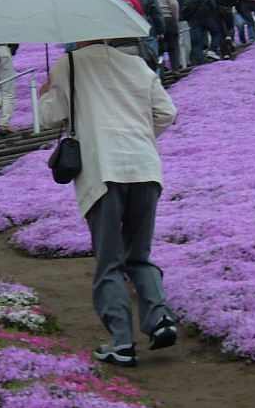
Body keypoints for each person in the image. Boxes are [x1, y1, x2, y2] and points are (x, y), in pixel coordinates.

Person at [37, 40, 178, 367]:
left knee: (109, 261)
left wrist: (46, 92)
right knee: (138, 255)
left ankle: (122, 342)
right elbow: (167, 113)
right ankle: (159, 318)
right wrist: (139, 135)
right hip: (145, 168)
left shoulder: (69, 64)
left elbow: (51, 117)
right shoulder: (137, 65)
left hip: (103, 171)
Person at [121, 0, 165, 71]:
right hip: (148, 32)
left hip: (131, 35)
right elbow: (157, 15)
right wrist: (161, 31)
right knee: (152, 61)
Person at [146, 0, 181, 73]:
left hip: (155, 21)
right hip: (168, 18)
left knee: (159, 48)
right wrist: (175, 18)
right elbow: (174, 4)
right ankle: (175, 69)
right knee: (173, 46)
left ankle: (160, 71)